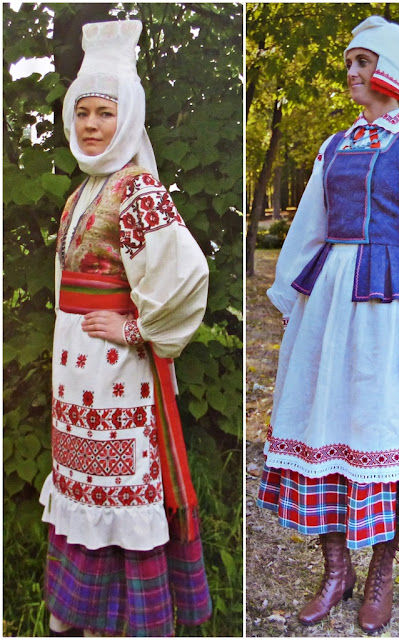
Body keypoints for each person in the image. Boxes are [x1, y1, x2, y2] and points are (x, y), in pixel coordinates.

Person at [256, 15, 399, 634]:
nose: (350, 73)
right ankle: (336, 570)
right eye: (349, 62)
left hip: (388, 310)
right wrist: (298, 307)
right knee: (320, 418)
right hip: (330, 305)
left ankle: (380, 572)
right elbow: (310, 226)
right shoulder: (337, 144)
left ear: (392, 71)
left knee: (381, 432)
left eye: (362, 62)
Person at [39, 20, 212, 637]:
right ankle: (80, 613)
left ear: (130, 116)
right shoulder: (86, 189)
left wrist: (140, 327)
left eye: (105, 113)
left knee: (114, 488)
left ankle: (119, 621)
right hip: (76, 378)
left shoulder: (137, 190)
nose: (91, 125)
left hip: (115, 376)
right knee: (82, 485)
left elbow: (185, 274)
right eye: (81, 112)